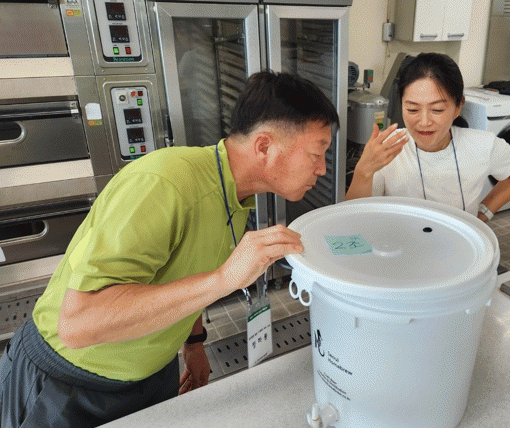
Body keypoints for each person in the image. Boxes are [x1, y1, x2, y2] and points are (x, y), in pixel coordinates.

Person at [0, 71, 338, 427]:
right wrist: (224, 278)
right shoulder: (164, 183)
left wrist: (194, 343)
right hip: (67, 383)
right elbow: (78, 324)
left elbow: (184, 270)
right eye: (316, 153)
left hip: (152, 373)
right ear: (265, 146)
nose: (322, 168)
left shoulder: (235, 194)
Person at [346, 53, 510, 222]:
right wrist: (363, 171)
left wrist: (483, 215)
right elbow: (352, 220)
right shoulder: (387, 149)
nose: (424, 122)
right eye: (412, 109)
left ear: (458, 107)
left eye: (437, 110)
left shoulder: (483, 145)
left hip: (458, 246)